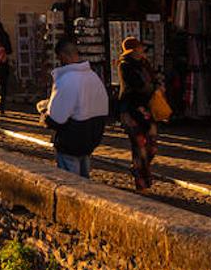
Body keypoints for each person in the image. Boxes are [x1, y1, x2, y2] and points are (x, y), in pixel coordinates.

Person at [41, 38, 108, 177]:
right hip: (91, 137)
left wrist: (44, 113)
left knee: (72, 182)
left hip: (71, 139)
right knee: (85, 177)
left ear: (63, 56)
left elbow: (56, 118)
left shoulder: (67, 79)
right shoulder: (93, 77)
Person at [118, 37, 160, 191]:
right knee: (139, 145)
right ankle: (141, 180)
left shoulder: (145, 65)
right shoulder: (125, 66)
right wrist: (152, 87)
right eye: (139, 48)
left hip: (147, 108)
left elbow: (154, 80)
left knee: (152, 145)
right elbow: (137, 86)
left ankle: (142, 171)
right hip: (131, 109)